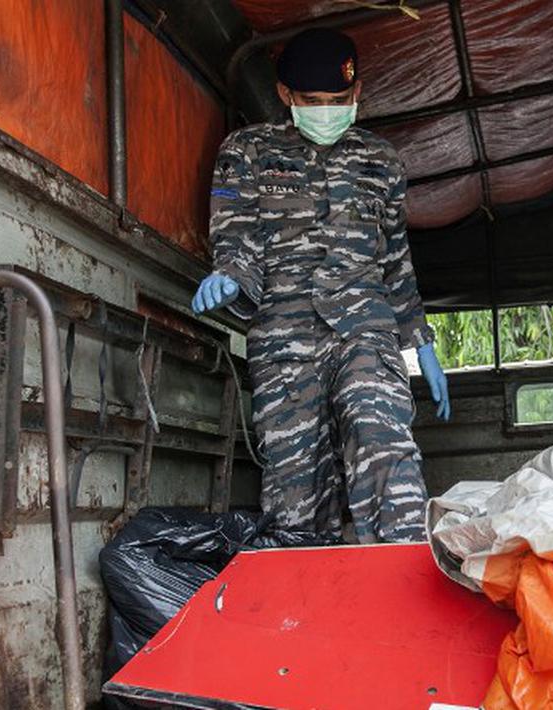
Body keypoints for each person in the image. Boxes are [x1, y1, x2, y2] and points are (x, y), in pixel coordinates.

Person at [191, 27, 449, 544]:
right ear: (285, 95)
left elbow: (395, 262)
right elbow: (237, 237)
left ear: (357, 93)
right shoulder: (247, 151)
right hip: (284, 337)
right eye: (312, 101)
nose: (327, 111)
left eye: (338, 99)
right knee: (296, 492)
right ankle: (309, 583)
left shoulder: (382, 162)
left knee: (384, 443)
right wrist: (230, 277)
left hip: (365, 329)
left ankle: (403, 569)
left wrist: (420, 341)